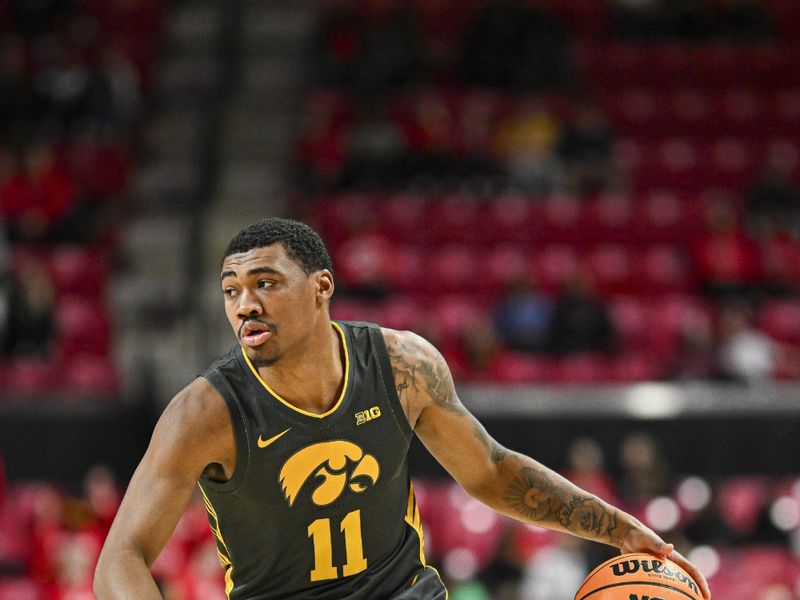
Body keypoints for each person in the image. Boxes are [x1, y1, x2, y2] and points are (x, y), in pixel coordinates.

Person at [94, 218, 711, 600]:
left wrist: (615, 526)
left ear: (321, 287)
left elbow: (490, 472)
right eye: (231, 290)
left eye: (265, 283)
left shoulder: (399, 365)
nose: (244, 304)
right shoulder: (205, 412)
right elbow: (119, 560)